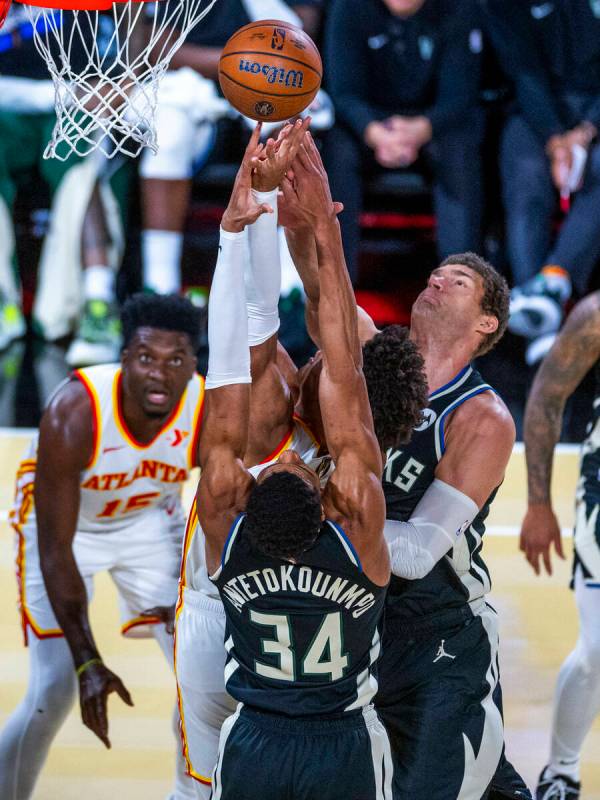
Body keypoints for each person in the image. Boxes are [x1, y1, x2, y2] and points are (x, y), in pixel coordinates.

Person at [168, 120, 427, 798]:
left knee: (199, 781)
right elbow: (332, 319)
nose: (318, 356)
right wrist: (298, 215)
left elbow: (248, 329)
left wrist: (245, 220)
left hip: (229, 625)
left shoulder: (266, 417)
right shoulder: (354, 481)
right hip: (323, 695)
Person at [286, 207, 530, 796]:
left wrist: (314, 507)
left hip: (438, 628)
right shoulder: (372, 356)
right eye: (437, 273)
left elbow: (419, 552)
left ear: (486, 323)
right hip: (356, 615)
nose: (437, 279)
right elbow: (322, 286)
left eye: (460, 281)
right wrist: (299, 215)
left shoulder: (481, 415)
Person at [0, 293, 205, 800]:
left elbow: (225, 512)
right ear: (123, 358)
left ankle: (190, 794)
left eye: (175, 359)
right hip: (66, 529)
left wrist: (202, 597)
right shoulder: (75, 411)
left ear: (194, 363)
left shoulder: (208, 407)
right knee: (55, 689)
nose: (159, 374)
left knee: (199, 675)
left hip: (149, 523)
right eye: (145, 358)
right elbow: (55, 548)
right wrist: (89, 659)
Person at [139, 0, 325, 296]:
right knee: (167, 139)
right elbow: (155, 46)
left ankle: (290, 285)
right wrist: (237, 63)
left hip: (269, 81)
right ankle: (160, 284)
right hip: (194, 83)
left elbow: (303, 34)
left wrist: (256, 66)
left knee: (289, 132)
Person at [0, 5, 131, 364]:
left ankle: (97, 302)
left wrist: (109, 91)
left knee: (81, 166)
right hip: (11, 101)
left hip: (77, 102)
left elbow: (129, 66)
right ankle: (2, 303)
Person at [323, 0, 484, 282]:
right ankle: (334, 283)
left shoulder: (459, 8)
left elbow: (460, 94)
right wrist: (375, 133)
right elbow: (343, 91)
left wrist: (421, 129)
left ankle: (460, 282)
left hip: (432, 120)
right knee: (337, 150)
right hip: (368, 121)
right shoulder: (348, 7)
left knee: (460, 148)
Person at [482, 0, 600, 364]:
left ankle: (553, 279)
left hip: (595, 111)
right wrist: (555, 140)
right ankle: (540, 314)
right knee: (526, 172)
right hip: (537, 110)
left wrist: (583, 133)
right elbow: (524, 71)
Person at [519, 291, 600, 800]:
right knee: (598, 648)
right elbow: (547, 396)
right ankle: (562, 774)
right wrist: (539, 503)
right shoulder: (596, 315)